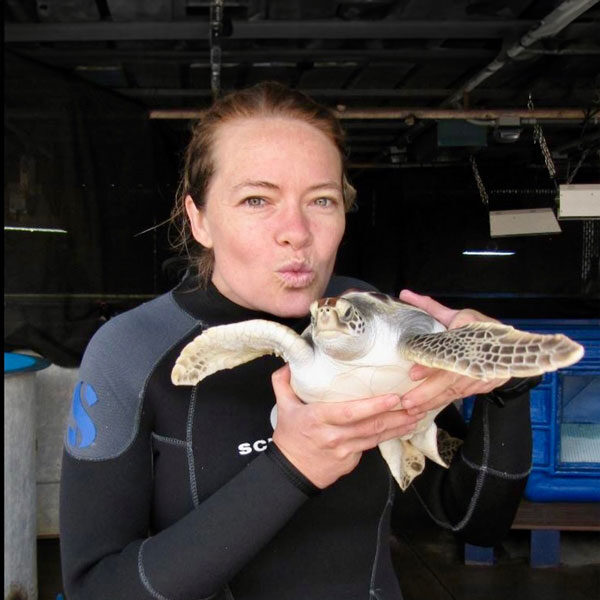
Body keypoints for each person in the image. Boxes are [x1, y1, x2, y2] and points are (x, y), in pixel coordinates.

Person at [60, 82, 539, 600]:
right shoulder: (132, 351)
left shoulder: (370, 317)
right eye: (257, 199)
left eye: (322, 200)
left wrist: (504, 386)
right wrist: (291, 468)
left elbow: (472, 519)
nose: (297, 231)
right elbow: (95, 588)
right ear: (198, 218)